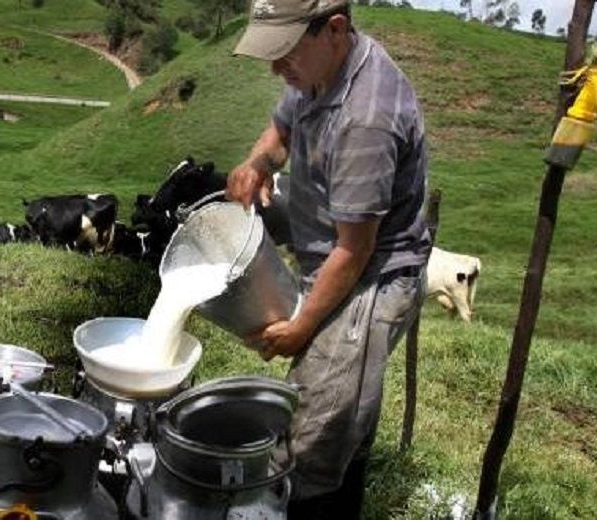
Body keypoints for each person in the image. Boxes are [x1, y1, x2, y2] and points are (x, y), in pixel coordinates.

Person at [227, 0, 430, 517]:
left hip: (372, 277)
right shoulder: (317, 72)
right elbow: (281, 132)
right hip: (333, 255)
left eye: (285, 53)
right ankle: (343, 470)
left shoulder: (367, 118)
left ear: (334, 29)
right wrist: (257, 163)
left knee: (309, 434)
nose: (276, 69)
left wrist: (301, 327)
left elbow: (354, 249)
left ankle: (311, 499)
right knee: (343, 408)